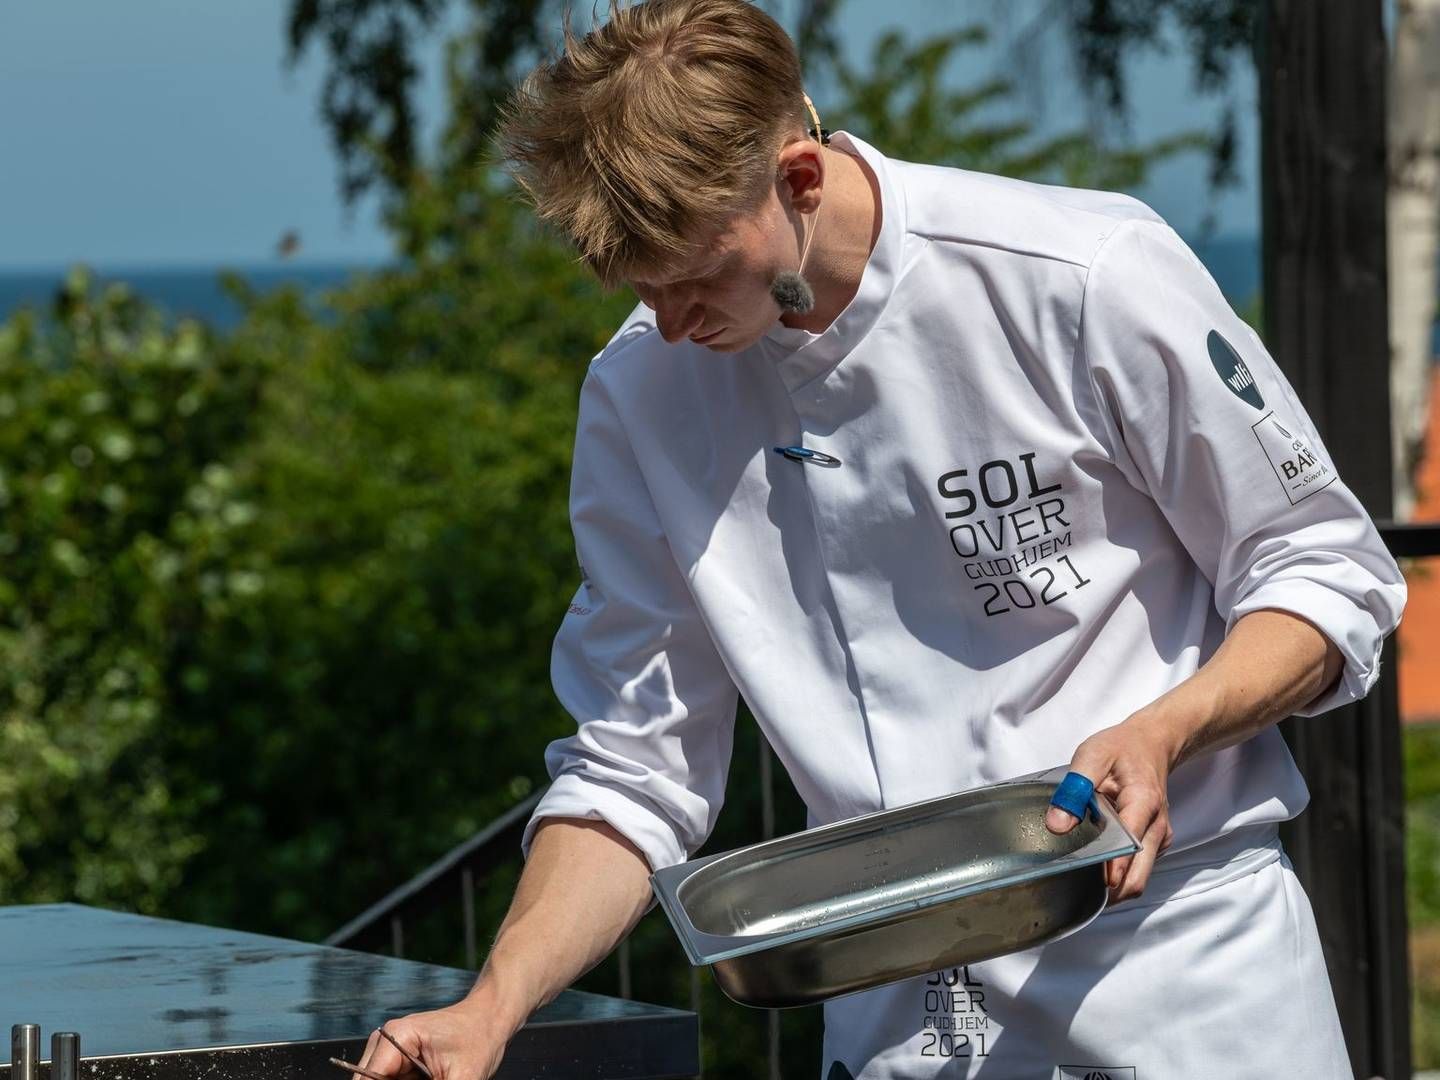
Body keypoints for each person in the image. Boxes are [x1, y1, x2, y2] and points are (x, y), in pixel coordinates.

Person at [350, 1, 1407, 1076]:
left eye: (695, 275)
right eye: (638, 287)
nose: (670, 321)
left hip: (1173, 975)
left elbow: (1326, 569)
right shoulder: (638, 394)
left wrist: (1167, 729)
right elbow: (634, 766)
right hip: (893, 1010)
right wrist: (495, 1006)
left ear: (798, 179)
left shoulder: (1083, 274)